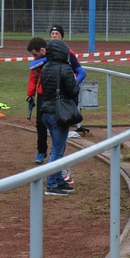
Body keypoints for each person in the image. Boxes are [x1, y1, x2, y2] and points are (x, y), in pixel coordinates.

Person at [39, 39, 79, 195]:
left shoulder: (45, 67)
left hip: (46, 112)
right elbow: (73, 90)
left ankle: (58, 180)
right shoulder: (65, 68)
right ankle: (51, 184)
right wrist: (75, 82)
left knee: (58, 147)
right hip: (59, 114)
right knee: (57, 150)